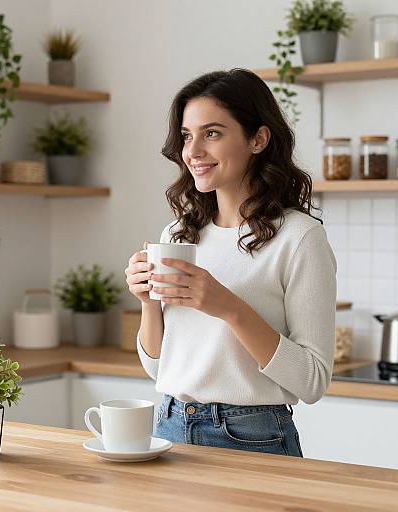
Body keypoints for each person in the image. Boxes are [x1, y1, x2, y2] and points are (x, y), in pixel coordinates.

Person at [124, 68, 336, 457]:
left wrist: (230, 308)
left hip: (252, 435)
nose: (193, 151)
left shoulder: (300, 238)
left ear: (258, 139)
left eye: (212, 133)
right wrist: (148, 302)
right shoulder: (178, 233)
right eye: (187, 136)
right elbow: (158, 369)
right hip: (169, 425)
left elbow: (312, 380)